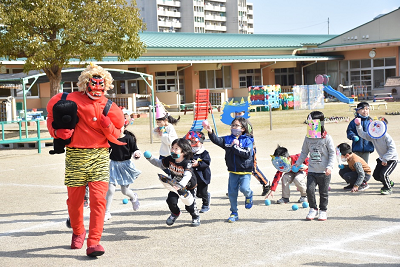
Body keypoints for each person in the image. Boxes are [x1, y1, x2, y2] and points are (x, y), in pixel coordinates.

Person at [46, 64, 125, 257]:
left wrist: (107, 127)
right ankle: (78, 231)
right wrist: (56, 132)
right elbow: (50, 116)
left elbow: (118, 134)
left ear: (106, 86)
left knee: (99, 201)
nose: (97, 90)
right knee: (74, 202)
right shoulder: (66, 99)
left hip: (99, 157)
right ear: (85, 84)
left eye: (101, 86)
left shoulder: (109, 107)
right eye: (93, 85)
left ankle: (94, 242)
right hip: (75, 156)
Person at [204, 117, 254, 223]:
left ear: (243, 128)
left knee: (245, 189)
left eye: (236, 125)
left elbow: (247, 154)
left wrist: (235, 147)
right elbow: (217, 140)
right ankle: (234, 212)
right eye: (232, 125)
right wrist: (210, 131)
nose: (234, 127)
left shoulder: (248, 140)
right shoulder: (228, 139)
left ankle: (249, 195)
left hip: (245, 171)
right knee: (232, 193)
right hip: (233, 171)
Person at [145, 138, 200, 227]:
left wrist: (181, 184)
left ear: (184, 152)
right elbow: (159, 164)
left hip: (188, 187)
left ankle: (195, 216)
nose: (173, 150)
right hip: (175, 185)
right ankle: (175, 213)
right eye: (172, 147)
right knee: (171, 200)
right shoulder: (170, 159)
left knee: (189, 205)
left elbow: (188, 175)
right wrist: (150, 158)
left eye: (176, 148)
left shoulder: (186, 163)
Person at [295, 111, 335, 221]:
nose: (309, 125)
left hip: (324, 171)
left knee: (323, 192)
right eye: (308, 122)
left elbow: (332, 153)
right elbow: (304, 152)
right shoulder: (308, 138)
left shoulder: (327, 138)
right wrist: (297, 163)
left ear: (319, 123)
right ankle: (313, 208)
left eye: (311, 122)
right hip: (312, 170)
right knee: (309, 190)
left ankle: (323, 210)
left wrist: (330, 167)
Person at [104, 124, 142, 222]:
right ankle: (106, 212)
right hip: (113, 165)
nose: (117, 129)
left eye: (119, 127)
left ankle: (133, 197)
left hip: (126, 166)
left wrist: (136, 154)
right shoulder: (111, 138)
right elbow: (106, 150)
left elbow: (135, 150)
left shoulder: (129, 139)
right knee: (111, 189)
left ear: (124, 128)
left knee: (124, 191)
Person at [355, 117, 398, 195]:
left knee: (384, 174)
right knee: (376, 176)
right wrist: (358, 125)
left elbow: (392, 149)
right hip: (382, 159)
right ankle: (388, 182)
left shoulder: (387, 137)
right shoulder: (373, 136)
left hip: (391, 159)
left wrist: (385, 159)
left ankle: (387, 188)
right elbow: (363, 134)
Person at [235, 111, 270, 196]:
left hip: (249, 149)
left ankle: (266, 184)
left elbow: (249, 138)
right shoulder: (235, 124)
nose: (237, 115)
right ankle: (233, 189)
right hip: (240, 149)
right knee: (238, 168)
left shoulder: (247, 124)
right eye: (236, 113)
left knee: (253, 169)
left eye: (239, 113)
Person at [185, 131, 212, 213]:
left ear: (200, 142)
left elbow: (207, 162)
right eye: (190, 142)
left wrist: (198, 164)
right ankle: (191, 206)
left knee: (202, 193)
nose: (191, 144)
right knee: (192, 193)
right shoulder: (188, 152)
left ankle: (205, 204)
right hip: (192, 177)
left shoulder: (204, 153)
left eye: (193, 142)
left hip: (202, 176)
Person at [153, 97, 179, 174]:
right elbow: (156, 136)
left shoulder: (170, 127)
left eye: (159, 122)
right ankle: (171, 174)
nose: (158, 124)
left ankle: (174, 175)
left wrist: (163, 134)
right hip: (163, 152)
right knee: (161, 164)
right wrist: (156, 131)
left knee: (174, 166)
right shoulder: (161, 128)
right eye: (157, 122)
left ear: (165, 120)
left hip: (171, 152)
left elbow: (170, 141)